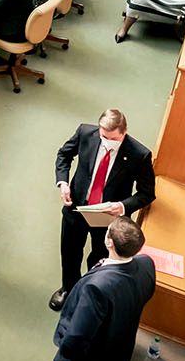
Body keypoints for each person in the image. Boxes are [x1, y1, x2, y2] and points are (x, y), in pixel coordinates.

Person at [16, 217, 156, 361]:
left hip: (86, 359)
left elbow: (78, 336)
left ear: (109, 242)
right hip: (119, 348)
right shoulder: (146, 265)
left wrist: (65, 354)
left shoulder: (97, 287)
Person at [51, 109, 157, 310]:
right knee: (70, 252)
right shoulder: (85, 133)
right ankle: (68, 289)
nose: (107, 142)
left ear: (124, 132)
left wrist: (123, 206)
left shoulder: (139, 155)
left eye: (113, 139)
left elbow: (147, 193)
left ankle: (89, 293)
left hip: (108, 218)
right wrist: (63, 182)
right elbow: (64, 154)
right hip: (77, 208)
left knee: (100, 258)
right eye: (104, 137)